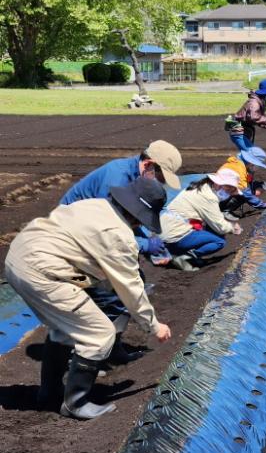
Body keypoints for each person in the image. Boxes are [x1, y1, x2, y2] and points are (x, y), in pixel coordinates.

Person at [4, 178, 172, 419]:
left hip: (18, 258)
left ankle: (50, 393)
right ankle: (76, 402)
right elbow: (131, 289)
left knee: (64, 329)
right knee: (99, 333)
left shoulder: (95, 205)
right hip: (42, 270)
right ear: (138, 215)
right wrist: (154, 326)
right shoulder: (118, 235)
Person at [59, 140, 181, 363]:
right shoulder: (116, 179)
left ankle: (111, 349)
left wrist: (147, 240)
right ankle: (86, 357)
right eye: (161, 177)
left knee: (133, 285)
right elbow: (106, 230)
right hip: (76, 240)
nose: (161, 183)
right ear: (149, 165)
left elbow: (128, 221)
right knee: (112, 294)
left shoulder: (135, 175)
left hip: (92, 237)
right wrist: (145, 246)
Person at [161, 169, 243, 272]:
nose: (229, 194)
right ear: (218, 184)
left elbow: (212, 217)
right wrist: (233, 227)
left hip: (166, 232)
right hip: (174, 235)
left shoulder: (200, 187)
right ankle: (185, 258)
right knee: (219, 241)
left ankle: (177, 252)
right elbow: (220, 227)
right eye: (228, 190)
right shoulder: (208, 197)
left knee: (210, 228)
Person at [226, 78, 266, 152]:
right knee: (251, 155)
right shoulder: (254, 102)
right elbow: (253, 116)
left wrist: (265, 125)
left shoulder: (259, 102)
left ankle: (238, 163)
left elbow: (254, 119)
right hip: (239, 132)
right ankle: (233, 163)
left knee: (248, 156)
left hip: (243, 132)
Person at [218, 146, 266, 216]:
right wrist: (261, 204)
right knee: (242, 195)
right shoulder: (240, 170)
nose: (256, 167)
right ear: (250, 162)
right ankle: (224, 210)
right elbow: (246, 193)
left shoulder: (235, 164)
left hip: (218, 194)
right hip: (218, 198)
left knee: (246, 191)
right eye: (256, 165)